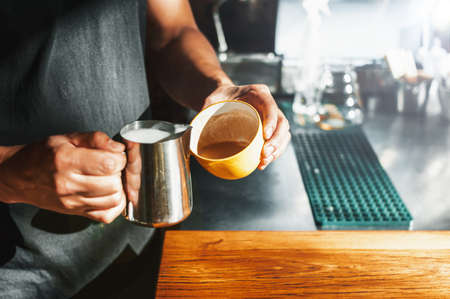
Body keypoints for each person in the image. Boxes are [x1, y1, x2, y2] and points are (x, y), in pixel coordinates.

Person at [0, 0, 290, 297]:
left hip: (134, 247)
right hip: (15, 267)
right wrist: (8, 170)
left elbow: (173, 32)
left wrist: (218, 88)